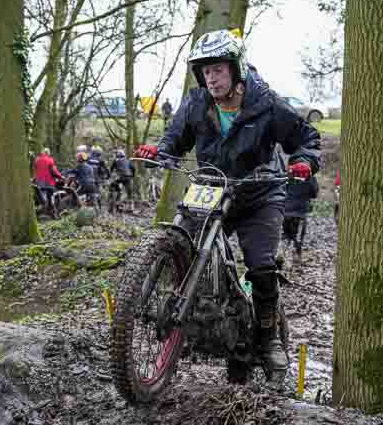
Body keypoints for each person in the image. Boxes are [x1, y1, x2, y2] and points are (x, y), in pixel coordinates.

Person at [134, 29, 320, 390]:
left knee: (261, 265)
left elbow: (306, 139)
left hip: (258, 194)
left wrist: (303, 162)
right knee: (181, 238)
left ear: (236, 69)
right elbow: (175, 138)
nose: (211, 78)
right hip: (210, 188)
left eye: (218, 69)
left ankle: (269, 341)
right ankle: (182, 311)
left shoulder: (267, 103)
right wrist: (161, 151)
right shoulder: (195, 103)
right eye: (205, 72)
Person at [283, 171, 319, 260]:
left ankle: (281, 254)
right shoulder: (310, 176)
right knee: (298, 239)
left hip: (286, 212)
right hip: (300, 214)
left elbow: (281, 189)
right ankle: (297, 258)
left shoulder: (287, 174)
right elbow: (314, 194)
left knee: (286, 236)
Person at [32, 147, 63, 214]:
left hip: (39, 182)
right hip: (48, 182)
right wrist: (61, 177)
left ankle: (43, 210)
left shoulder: (36, 160)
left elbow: (35, 171)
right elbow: (54, 171)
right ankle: (53, 211)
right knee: (51, 196)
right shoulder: (49, 160)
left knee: (42, 197)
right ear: (48, 153)